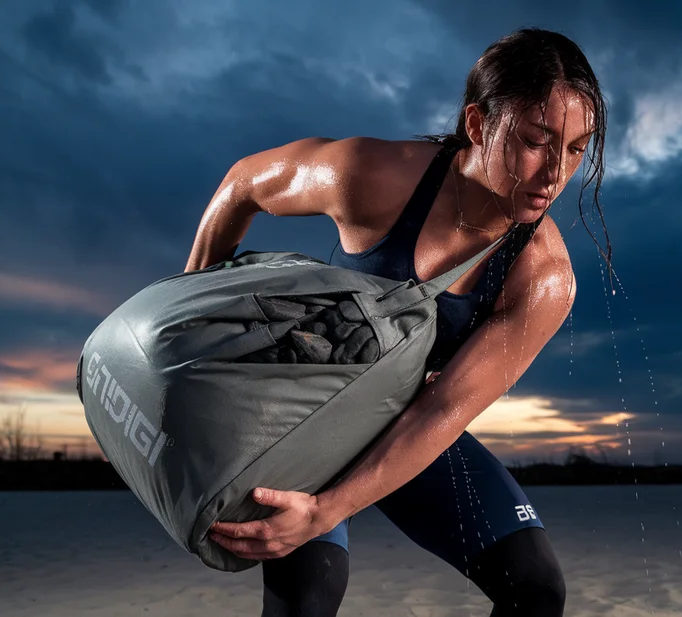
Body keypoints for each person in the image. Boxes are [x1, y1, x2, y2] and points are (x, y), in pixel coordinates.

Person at [184, 26, 609, 617]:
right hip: (312, 420)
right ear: (480, 125)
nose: (554, 175)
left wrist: (326, 510)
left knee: (535, 588)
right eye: (538, 141)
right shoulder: (371, 177)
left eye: (575, 149)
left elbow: (442, 411)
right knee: (311, 593)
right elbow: (241, 187)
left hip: (412, 427)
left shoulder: (542, 277)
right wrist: (186, 319)